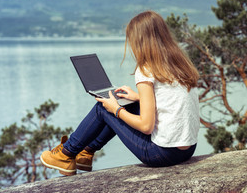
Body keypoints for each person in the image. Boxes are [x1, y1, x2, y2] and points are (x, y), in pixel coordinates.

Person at [40, 10, 200, 176]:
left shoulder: (146, 70)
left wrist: (117, 110)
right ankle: (85, 154)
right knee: (125, 104)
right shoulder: (180, 64)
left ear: (139, 41)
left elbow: (146, 126)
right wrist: (137, 98)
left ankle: (66, 155)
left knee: (103, 107)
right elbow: (173, 100)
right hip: (187, 149)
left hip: (161, 154)